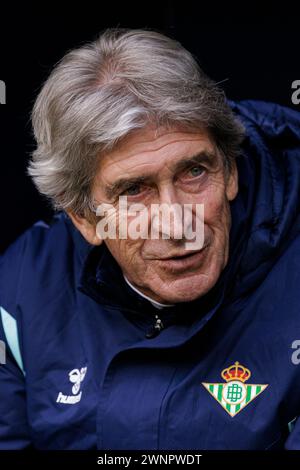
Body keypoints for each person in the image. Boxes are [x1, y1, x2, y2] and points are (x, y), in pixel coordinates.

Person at [0, 28, 300, 450]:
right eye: (134, 191)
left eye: (194, 172)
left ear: (230, 171)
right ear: (83, 217)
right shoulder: (22, 290)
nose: (178, 226)